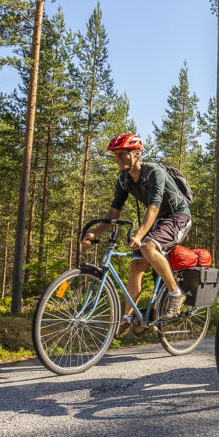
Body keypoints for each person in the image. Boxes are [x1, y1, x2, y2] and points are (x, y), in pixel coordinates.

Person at [82, 133, 192, 333]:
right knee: (136, 264)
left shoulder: (153, 173)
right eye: (116, 155)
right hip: (158, 220)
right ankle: (128, 317)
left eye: (123, 154)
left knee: (148, 245)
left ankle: (176, 293)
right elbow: (114, 212)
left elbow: (153, 208)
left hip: (178, 217)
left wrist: (140, 235)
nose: (118, 159)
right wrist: (95, 234)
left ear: (136, 154)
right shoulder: (123, 180)